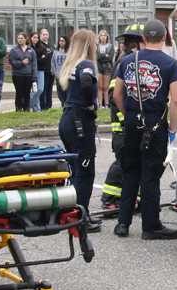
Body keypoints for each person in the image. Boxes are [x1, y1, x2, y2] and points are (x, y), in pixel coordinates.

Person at [113, 19, 177, 240]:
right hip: (155, 121)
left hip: (132, 117)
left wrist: (129, 114)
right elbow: (176, 101)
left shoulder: (127, 61)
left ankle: (123, 223)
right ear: (164, 38)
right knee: (151, 174)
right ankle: (151, 225)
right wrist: (172, 128)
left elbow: (116, 95)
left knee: (130, 172)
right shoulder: (171, 64)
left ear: (143, 38)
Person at [100, 24, 145, 209]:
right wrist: (127, 120)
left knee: (134, 162)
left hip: (129, 125)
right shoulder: (125, 62)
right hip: (123, 127)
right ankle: (110, 198)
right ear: (138, 42)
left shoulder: (131, 59)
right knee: (123, 161)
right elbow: (113, 95)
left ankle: (131, 197)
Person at [57, 29, 99, 213]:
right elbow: (86, 83)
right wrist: (90, 106)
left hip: (67, 117)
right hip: (79, 121)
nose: (97, 46)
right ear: (89, 45)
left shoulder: (70, 65)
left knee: (75, 168)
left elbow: (62, 91)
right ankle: (81, 214)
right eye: (95, 43)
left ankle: (70, 209)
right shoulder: (85, 65)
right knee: (85, 171)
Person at [8, 33, 36, 112]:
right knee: (19, 92)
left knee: (27, 92)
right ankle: (19, 108)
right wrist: (21, 63)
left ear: (25, 39)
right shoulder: (14, 50)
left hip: (28, 74)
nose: (20, 40)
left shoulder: (30, 50)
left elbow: (34, 63)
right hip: (17, 74)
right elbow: (11, 61)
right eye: (18, 38)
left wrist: (34, 76)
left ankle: (26, 108)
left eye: (21, 38)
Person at [96, 30, 115, 107]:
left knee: (106, 87)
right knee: (99, 87)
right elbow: (96, 57)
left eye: (104, 35)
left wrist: (101, 56)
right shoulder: (96, 46)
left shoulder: (110, 46)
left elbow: (110, 58)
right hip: (99, 67)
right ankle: (100, 104)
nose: (103, 37)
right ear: (99, 37)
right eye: (101, 35)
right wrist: (104, 55)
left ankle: (107, 104)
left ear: (107, 37)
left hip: (107, 67)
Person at [38, 28, 55, 110]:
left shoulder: (51, 46)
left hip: (51, 71)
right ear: (40, 35)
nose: (45, 36)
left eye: (46, 34)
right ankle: (42, 105)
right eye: (43, 34)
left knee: (49, 89)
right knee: (43, 90)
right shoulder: (40, 46)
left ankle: (49, 104)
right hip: (43, 71)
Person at [52, 35, 69, 104]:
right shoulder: (55, 52)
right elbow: (53, 63)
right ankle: (63, 104)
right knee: (60, 92)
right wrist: (55, 72)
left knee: (67, 91)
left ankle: (67, 104)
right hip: (58, 75)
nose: (61, 42)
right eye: (60, 41)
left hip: (67, 75)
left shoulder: (69, 52)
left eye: (63, 41)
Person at [29, 32, 44, 112]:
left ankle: (28, 104)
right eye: (34, 37)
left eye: (37, 37)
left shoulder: (41, 48)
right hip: (31, 71)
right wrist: (39, 59)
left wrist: (39, 60)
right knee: (35, 90)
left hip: (40, 70)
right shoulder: (28, 48)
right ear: (30, 38)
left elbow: (44, 59)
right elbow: (31, 61)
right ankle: (37, 109)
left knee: (40, 89)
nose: (36, 39)